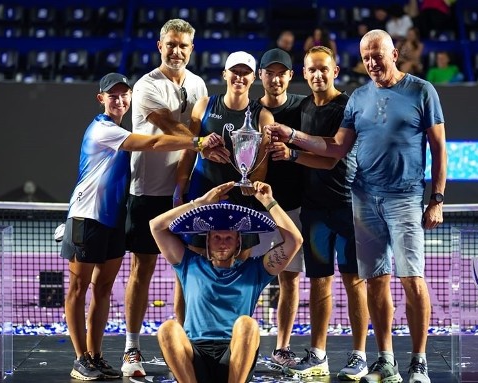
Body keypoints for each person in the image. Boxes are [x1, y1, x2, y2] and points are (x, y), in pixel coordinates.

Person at [267, 29, 447, 383]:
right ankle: (385, 360)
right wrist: (291, 140)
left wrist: (436, 198)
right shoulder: (358, 99)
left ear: (394, 53)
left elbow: (439, 148)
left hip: (404, 198)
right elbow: (335, 148)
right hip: (363, 199)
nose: (372, 62)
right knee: (375, 281)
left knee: (412, 279)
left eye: (377, 54)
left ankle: (419, 361)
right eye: (366, 57)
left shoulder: (422, 90)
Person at [60, 73, 221, 381]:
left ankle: (95, 356)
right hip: (86, 218)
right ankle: (80, 358)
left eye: (124, 95)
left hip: (113, 220)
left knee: (104, 288)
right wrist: (197, 141)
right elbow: (155, 141)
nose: (119, 100)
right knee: (78, 289)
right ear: (101, 99)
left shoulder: (118, 129)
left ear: (130, 97)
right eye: (113, 96)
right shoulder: (102, 130)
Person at [121, 19, 226, 378]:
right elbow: (169, 127)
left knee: (188, 272)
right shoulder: (145, 85)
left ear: (191, 49)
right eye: (171, 44)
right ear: (159, 46)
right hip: (148, 190)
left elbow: (198, 131)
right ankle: (131, 349)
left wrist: (205, 148)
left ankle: (184, 345)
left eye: (183, 45)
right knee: (143, 268)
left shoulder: (198, 85)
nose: (177, 51)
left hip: (187, 191)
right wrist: (203, 145)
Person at [272, 46, 370, 381]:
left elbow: (331, 155)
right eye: (312, 70)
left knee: (353, 282)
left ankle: (358, 355)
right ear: (304, 73)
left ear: (335, 71)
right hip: (313, 211)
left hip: (345, 208)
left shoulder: (347, 107)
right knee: (318, 283)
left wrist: (292, 152)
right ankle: (318, 354)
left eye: (323, 69)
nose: (318, 75)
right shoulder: (302, 106)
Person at [150, 181, 304, 383]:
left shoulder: (254, 270)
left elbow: (295, 241)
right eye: (217, 238)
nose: (222, 242)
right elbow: (156, 226)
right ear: (208, 240)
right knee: (168, 329)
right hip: (194, 354)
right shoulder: (189, 264)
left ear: (238, 242)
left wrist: (269, 202)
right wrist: (200, 203)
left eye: (228, 238)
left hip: (235, 354)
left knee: (247, 324)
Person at [175, 51, 274, 256]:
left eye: (245, 72)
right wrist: (179, 189)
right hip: (202, 194)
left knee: (240, 266)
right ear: (224, 74)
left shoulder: (263, 116)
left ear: (253, 78)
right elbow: (189, 150)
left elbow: (262, 162)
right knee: (193, 266)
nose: (239, 77)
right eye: (234, 72)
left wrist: (251, 187)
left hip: (240, 200)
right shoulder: (204, 105)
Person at [256, 48, 306, 369]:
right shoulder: (247, 108)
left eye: (281, 73)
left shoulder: (305, 107)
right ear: (261, 75)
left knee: (290, 280)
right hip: (256, 210)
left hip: (294, 208)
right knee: (249, 278)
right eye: (269, 73)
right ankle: (240, 342)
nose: (275, 79)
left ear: (290, 75)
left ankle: (282, 348)